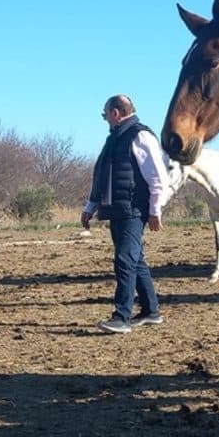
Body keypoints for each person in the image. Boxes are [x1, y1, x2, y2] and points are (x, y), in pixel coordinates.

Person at [81, 94, 169, 334]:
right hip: (117, 210)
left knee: (124, 260)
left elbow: (158, 178)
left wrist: (155, 210)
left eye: (105, 114)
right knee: (135, 260)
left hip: (134, 210)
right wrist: (90, 207)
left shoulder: (140, 136)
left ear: (115, 113)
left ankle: (122, 317)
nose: (105, 119)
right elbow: (101, 176)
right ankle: (151, 312)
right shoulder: (114, 140)